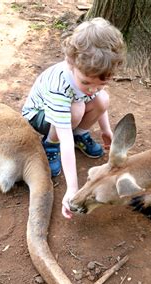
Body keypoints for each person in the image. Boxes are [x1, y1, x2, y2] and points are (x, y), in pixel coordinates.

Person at [22, 17, 125, 219]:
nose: (93, 88)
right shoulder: (60, 85)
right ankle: (50, 145)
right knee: (76, 109)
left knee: (102, 100)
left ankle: (81, 133)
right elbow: (65, 140)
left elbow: (97, 98)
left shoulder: (90, 77)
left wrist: (106, 130)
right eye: (86, 82)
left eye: (100, 83)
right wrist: (73, 189)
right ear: (71, 63)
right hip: (40, 116)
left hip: (69, 111)